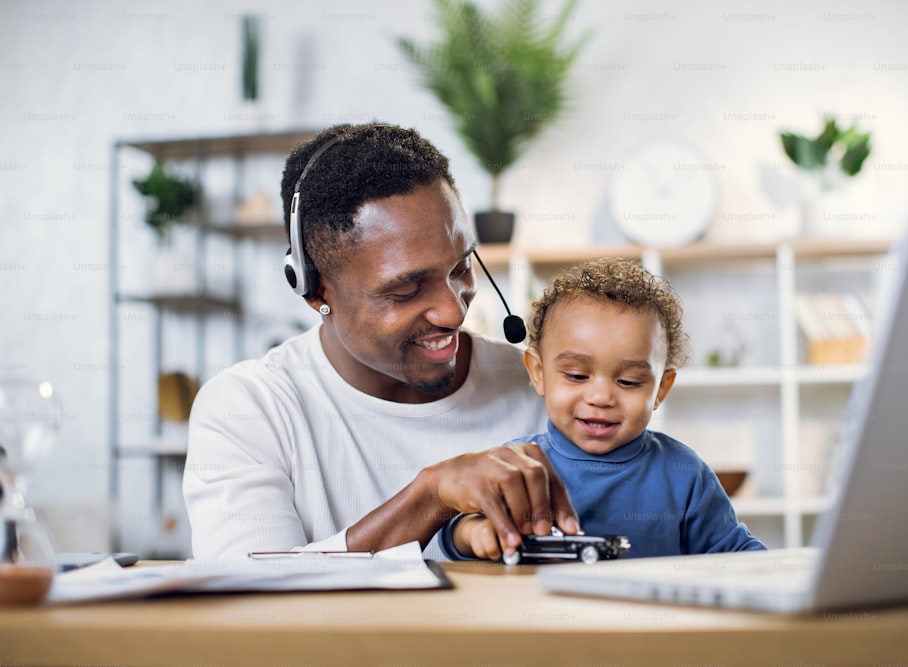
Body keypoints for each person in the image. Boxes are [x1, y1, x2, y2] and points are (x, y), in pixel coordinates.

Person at [182, 122, 579, 560]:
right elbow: (249, 600)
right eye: (405, 291)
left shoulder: (540, 387)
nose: (453, 311)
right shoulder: (249, 409)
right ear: (316, 291)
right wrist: (430, 498)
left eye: (461, 267)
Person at [440, 258, 766, 561]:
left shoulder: (684, 473)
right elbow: (451, 535)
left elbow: (738, 555)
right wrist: (472, 533)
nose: (600, 397)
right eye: (578, 376)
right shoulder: (516, 466)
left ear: (660, 389)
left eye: (628, 382)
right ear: (539, 373)